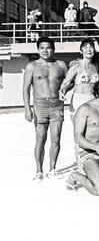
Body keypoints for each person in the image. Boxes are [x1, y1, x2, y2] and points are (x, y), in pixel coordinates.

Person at [23, 37, 68, 181]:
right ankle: (39, 171)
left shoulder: (60, 65)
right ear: (38, 49)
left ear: (53, 49)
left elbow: (70, 82)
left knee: (55, 139)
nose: (45, 50)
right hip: (40, 105)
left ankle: (53, 169)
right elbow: (25, 89)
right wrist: (27, 109)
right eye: (42, 47)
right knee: (40, 139)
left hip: (57, 105)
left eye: (48, 47)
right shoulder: (32, 66)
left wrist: (64, 90)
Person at [59, 38, 99, 119]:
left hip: (92, 99)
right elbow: (66, 82)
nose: (88, 50)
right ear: (81, 51)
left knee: (92, 129)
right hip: (79, 100)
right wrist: (62, 92)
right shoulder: (76, 65)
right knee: (78, 130)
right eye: (85, 47)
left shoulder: (96, 66)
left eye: (91, 47)